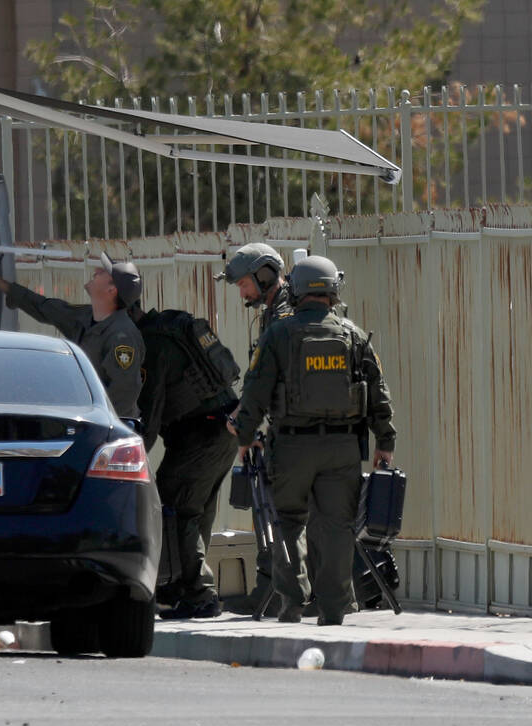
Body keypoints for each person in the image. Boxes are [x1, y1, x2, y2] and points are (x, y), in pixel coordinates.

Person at [227, 255, 396, 625]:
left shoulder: (278, 333)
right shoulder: (353, 334)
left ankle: (291, 603)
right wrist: (385, 442)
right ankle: (334, 610)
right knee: (337, 527)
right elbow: (378, 392)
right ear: (334, 289)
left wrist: (244, 436)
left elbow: (256, 391)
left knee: (287, 522)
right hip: (342, 448)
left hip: (291, 447)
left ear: (298, 289)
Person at [130, 289, 241, 620]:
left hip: (200, 434)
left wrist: (132, 458)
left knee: (175, 508)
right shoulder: (170, 324)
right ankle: (180, 586)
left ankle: (199, 593)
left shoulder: (151, 345)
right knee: (197, 510)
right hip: (224, 428)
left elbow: (149, 417)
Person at [216, 242, 295, 614]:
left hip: (292, 430)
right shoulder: (275, 312)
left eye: (245, 283)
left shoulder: (283, 316)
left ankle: (283, 593)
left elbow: (263, 379)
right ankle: (278, 590)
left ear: (264, 275)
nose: (243, 292)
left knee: (283, 516)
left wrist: (246, 429)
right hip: (287, 425)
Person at [0, 256, 145, 417]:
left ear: (111, 290)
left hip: (107, 430)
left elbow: (123, 395)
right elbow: (45, 308)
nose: (96, 271)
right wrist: (2, 285)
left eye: (103, 272)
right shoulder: (87, 316)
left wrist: (92, 423)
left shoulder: (122, 337)